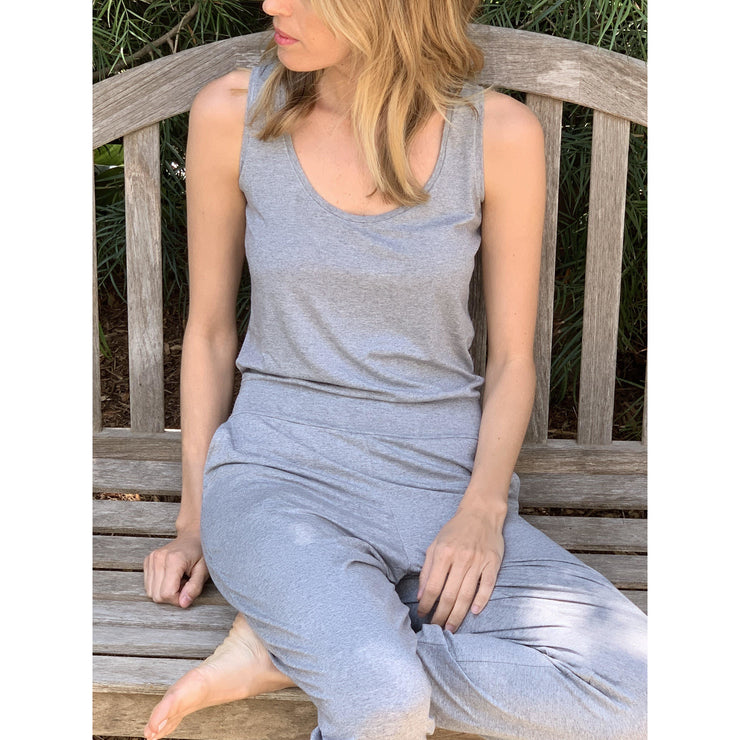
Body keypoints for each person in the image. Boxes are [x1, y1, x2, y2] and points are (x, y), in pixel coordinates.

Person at [142, 1, 647, 738]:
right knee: (381, 703)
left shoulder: (498, 136)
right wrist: (193, 523)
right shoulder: (233, 115)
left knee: (644, 691)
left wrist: (481, 510)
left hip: (439, 489)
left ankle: (298, 652)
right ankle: (343, 654)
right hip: (277, 482)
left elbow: (512, 360)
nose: (271, 5)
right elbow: (211, 333)